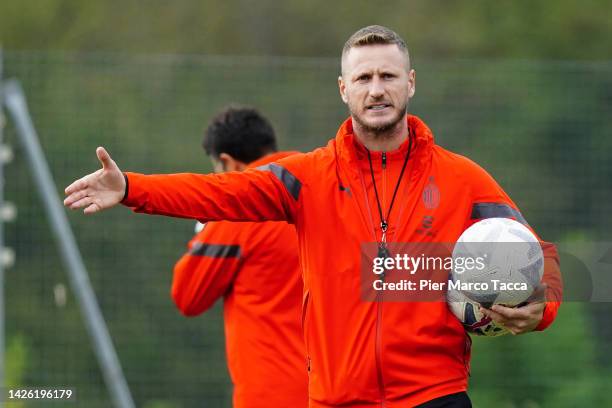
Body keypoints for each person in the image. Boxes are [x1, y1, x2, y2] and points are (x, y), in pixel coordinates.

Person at [65, 25, 561, 408]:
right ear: (343, 89)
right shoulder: (306, 178)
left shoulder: (462, 178)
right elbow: (217, 193)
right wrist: (131, 187)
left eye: (388, 76)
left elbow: (540, 257)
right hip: (334, 398)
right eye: (364, 77)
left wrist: (543, 307)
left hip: (435, 397)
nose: (377, 89)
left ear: (410, 83)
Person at [170, 107, 307, 408]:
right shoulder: (322, 185)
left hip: (271, 395)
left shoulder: (238, 208)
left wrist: (206, 229)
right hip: (342, 388)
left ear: (227, 163)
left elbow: (188, 295)